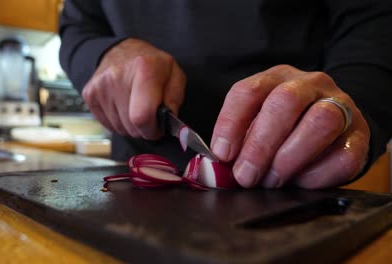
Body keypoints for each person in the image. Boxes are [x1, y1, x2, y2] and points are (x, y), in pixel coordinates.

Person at [59, 0, 392, 189]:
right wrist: (101, 56)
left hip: (294, 182)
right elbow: (78, 25)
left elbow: (373, 26)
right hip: (137, 182)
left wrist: (353, 110)